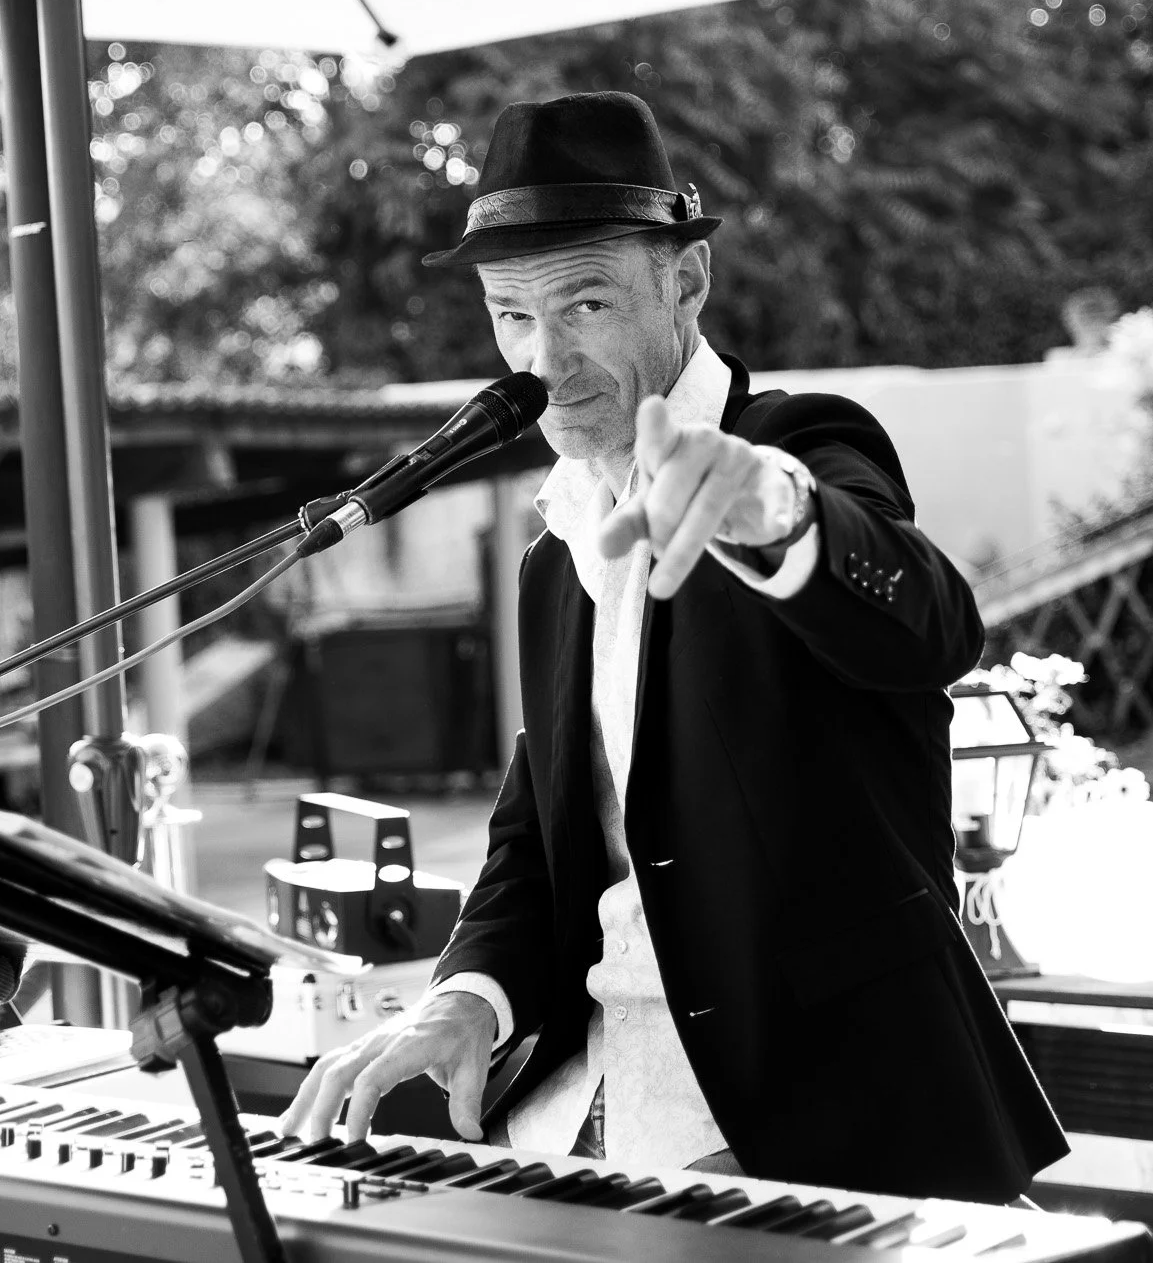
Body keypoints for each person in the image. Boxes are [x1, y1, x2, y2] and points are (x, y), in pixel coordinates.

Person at [278, 93, 1067, 1205]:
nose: (542, 359)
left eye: (583, 302)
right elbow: (536, 842)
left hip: (829, 1131)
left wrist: (774, 514)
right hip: (579, 1113)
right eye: (509, 317)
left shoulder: (800, 446)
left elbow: (928, 625)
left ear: (685, 282)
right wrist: (464, 999)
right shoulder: (550, 555)